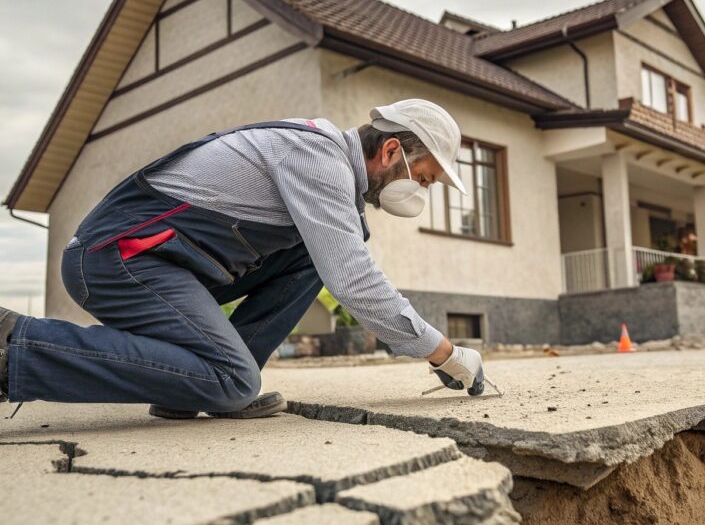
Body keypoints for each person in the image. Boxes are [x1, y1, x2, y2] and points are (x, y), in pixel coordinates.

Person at [0, 99, 485, 419]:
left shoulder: (329, 171)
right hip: (115, 258)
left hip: (168, 264)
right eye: (423, 178)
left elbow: (341, 260)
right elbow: (354, 281)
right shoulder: (317, 158)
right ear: (392, 150)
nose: (420, 191)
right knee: (233, 381)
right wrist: (443, 351)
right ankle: (14, 346)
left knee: (319, 252)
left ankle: (196, 388)